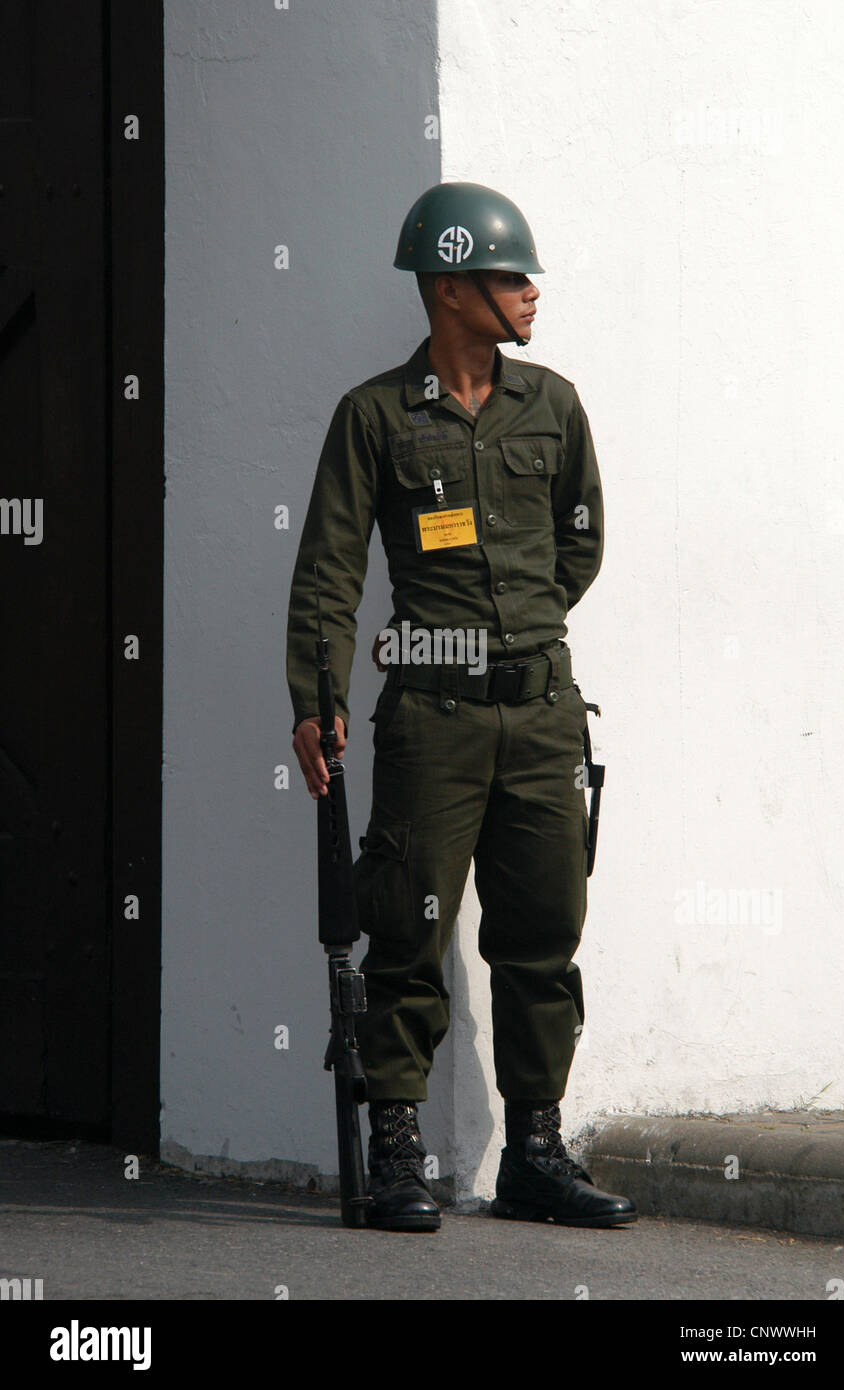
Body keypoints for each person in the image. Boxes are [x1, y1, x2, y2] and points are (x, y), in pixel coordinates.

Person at [286, 182, 637, 1232]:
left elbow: (579, 542)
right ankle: (396, 1151)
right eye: (506, 277)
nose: (528, 293)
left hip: (538, 715)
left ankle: (533, 1152)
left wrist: (514, 638)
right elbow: (328, 570)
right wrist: (317, 696)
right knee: (405, 932)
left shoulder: (553, 406)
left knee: (542, 931)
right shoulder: (373, 418)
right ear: (448, 290)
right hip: (430, 720)